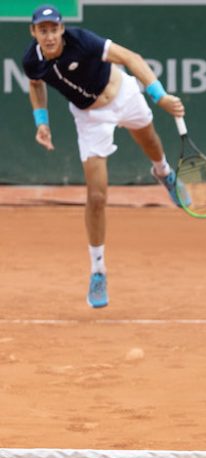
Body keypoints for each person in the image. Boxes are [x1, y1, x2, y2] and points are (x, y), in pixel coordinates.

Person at [22, 4, 188, 308]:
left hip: (123, 94)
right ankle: (98, 270)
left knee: (150, 141)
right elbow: (35, 85)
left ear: (61, 29)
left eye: (53, 29)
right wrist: (41, 121)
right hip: (90, 118)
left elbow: (130, 58)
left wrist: (159, 96)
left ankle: (163, 172)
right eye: (42, 30)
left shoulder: (82, 40)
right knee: (96, 197)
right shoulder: (32, 61)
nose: (49, 36)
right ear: (34, 33)